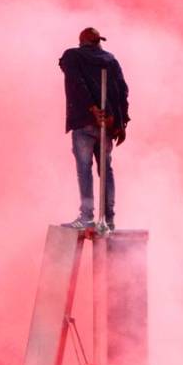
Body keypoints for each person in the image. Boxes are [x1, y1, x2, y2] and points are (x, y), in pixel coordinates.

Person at [59, 27, 129, 231]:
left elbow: (75, 83)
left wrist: (91, 108)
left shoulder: (73, 56)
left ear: (82, 42)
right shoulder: (110, 60)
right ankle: (108, 218)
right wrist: (120, 122)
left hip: (84, 122)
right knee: (105, 170)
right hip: (106, 124)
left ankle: (88, 216)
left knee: (84, 169)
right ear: (98, 42)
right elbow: (123, 91)